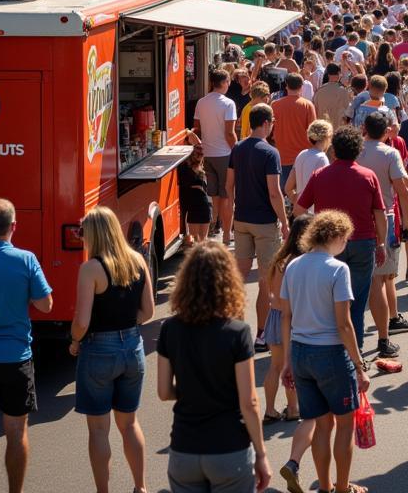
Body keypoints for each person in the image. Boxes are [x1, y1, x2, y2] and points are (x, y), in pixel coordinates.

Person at [156, 242, 270, 493]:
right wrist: (261, 454)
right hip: (229, 449)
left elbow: (164, 392)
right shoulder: (237, 332)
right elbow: (249, 401)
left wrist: (191, 389)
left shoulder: (170, 329)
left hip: (184, 448)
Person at [279, 211, 371, 493]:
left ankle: (326, 487)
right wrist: (359, 364)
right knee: (344, 426)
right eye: (345, 239)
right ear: (335, 237)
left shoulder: (293, 266)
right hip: (330, 354)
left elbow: (287, 315)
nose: (346, 244)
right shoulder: (337, 269)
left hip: (300, 353)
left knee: (321, 425)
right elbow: (344, 323)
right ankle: (342, 488)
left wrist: (287, 361)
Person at [69, 206, 153, 493]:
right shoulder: (138, 261)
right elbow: (149, 311)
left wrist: (74, 340)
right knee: (129, 424)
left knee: (99, 429)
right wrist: (126, 326)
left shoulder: (91, 268)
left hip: (98, 350)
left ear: (93, 235)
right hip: (132, 348)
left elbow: (82, 321)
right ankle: (140, 487)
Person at [0, 199, 53, 493]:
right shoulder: (26, 260)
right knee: (15, 431)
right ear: (14, 227)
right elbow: (45, 306)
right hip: (15, 357)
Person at [295, 126, 388, 354]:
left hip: (327, 245)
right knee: (356, 303)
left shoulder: (320, 176)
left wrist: (316, 228)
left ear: (334, 150)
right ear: (358, 150)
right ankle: (354, 353)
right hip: (362, 243)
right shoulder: (368, 176)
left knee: (329, 301)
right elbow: (379, 214)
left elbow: (299, 210)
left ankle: (334, 348)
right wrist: (382, 243)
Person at [227, 103, 290, 346]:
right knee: (266, 280)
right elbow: (274, 193)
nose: (273, 125)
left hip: (241, 220)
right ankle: (262, 334)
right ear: (265, 123)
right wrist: (284, 222)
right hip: (264, 223)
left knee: (239, 277)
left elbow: (228, 186)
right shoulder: (270, 152)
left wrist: (232, 215)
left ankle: (234, 330)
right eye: (272, 121)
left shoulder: (238, 148)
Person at [357, 111, 408, 358]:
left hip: (357, 219)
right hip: (384, 219)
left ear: (364, 129)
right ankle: (384, 337)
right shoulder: (390, 153)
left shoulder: (355, 150)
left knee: (366, 279)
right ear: (386, 132)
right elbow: (402, 190)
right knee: (380, 280)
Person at [261, 217, 308, 424]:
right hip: (291, 318)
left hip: (274, 316)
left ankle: (270, 410)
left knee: (275, 365)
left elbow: (271, 289)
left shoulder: (280, 259)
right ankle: (292, 408)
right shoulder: (300, 262)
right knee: (293, 366)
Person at [193, 67, 238, 244]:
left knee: (213, 195)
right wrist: (237, 150)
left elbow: (196, 128)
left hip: (207, 153)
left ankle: (213, 228)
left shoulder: (201, 102)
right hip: (225, 154)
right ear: (225, 82)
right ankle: (227, 234)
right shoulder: (228, 104)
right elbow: (230, 133)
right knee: (227, 195)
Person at [273, 73, 318, 190]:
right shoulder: (308, 105)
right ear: (301, 86)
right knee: (302, 194)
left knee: (285, 193)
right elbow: (313, 132)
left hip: (282, 156)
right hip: (303, 156)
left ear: (286, 86)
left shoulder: (275, 105)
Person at [285, 119, 332, 211]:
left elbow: (288, 188)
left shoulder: (302, 154)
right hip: (313, 213)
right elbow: (323, 191)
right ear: (327, 137)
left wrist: (297, 201)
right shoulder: (322, 158)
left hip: (299, 212)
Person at [177, 142, 213, 246]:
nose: (199, 157)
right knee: (200, 241)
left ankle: (199, 260)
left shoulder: (192, 170)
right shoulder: (195, 170)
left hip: (198, 208)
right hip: (199, 207)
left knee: (198, 242)